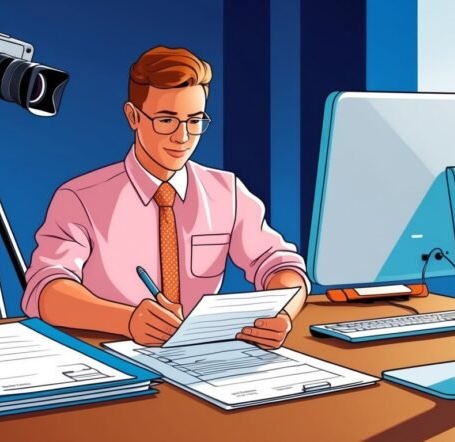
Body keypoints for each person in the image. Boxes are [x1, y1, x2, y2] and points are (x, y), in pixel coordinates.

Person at [21, 46, 310, 349]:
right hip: (113, 357)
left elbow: (280, 265)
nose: (182, 138)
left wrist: (282, 313)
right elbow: (46, 290)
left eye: (195, 121)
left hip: (202, 357)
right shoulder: (80, 198)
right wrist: (126, 320)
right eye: (166, 120)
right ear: (133, 116)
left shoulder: (228, 192)